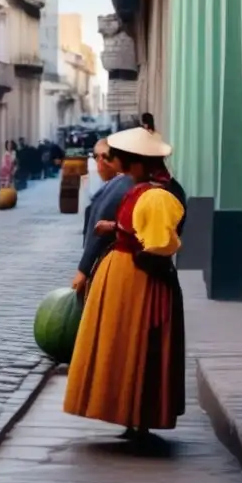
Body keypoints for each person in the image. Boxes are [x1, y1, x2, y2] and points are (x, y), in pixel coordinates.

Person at [65, 127, 186, 439]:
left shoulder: (156, 193)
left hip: (140, 279)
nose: (112, 161)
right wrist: (118, 227)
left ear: (135, 163)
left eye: (119, 158)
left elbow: (159, 239)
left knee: (139, 344)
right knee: (124, 344)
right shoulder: (142, 187)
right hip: (128, 274)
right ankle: (128, 414)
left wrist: (124, 236)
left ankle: (138, 415)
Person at [75, 140, 134, 288]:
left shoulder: (123, 185)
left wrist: (83, 270)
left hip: (113, 265)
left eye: (98, 157)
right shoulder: (118, 183)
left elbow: (100, 229)